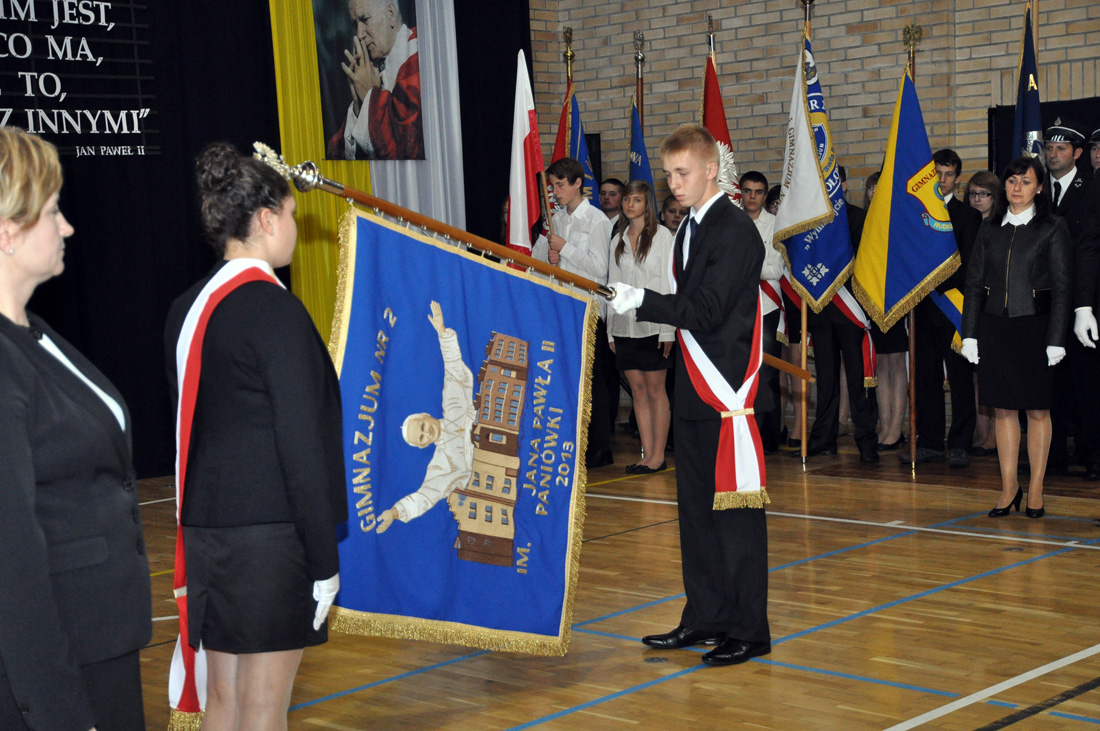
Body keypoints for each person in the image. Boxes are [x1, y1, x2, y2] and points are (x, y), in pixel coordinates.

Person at [165, 142, 347, 726]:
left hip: (207, 531)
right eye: (291, 214)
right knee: (264, 709)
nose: (295, 226)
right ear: (267, 220)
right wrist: (323, 559)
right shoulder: (275, 310)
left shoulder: (187, 307)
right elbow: (301, 444)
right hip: (270, 539)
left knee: (224, 700)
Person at [0, 126, 152, 731]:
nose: (66, 228)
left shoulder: (34, 335)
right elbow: (12, 561)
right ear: (7, 232)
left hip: (99, 639)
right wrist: (60, 712)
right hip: (61, 660)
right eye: (52, 212)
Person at [609, 124, 770, 667]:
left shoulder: (735, 229)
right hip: (696, 387)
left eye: (682, 173)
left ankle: (749, 628)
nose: (673, 184)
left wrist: (642, 300)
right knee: (696, 513)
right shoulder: (691, 228)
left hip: (726, 392)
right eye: (668, 174)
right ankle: (705, 615)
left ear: (710, 170)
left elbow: (706, 311)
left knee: (735, 516)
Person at [961, 156, 1072, 519]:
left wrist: (1056, 338)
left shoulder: (1052, 227)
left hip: (1035, 328)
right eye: (1011, 181)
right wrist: (970, 335)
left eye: (1026, 182)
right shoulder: (990, 228)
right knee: (1003, 409)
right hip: (995, 328)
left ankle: (1036, 488)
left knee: (1037, 410)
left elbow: (1062, 288)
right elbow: (973, 285)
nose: (1017, 188)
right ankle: (1009, 488)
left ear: (1039, 188)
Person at [533, 157, 614, 468]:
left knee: (592, 380)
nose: (555, 191)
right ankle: (574, 441)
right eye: (552, 186)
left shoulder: (597, 221)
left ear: (578, 183)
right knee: (568, 378)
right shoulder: (556, 219)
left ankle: (599, 446)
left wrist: (565, 247)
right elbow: (540, 261)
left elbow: (600, 268)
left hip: (587, 309)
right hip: (560, 308)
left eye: (560, 185)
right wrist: (550, 253)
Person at [908, 149, 982, 467]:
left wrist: (935, 282)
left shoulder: (968, 216)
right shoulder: (917, 213)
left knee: (960, 377)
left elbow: (970, 264)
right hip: (922, 307)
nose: (942, 179)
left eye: (949, 174)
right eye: (937, 173)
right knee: (925, 376)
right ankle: (930, 441)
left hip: (953, 306)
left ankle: (961, 442)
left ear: (958, 178)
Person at [376, 301, 476, 531]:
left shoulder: (452, 404)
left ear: (426, 416)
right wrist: (395, 512)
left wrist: (442, 332)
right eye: (422, 437)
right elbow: (425, 496)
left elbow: (453, 368)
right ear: (423, 445)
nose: (426, 432)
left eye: (422, 426)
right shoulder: (441, 465)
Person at [1044, 120, 1100, 479]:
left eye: (1061, 149)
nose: (1053, 154)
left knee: (1087, 381)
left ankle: (1092, 453)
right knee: (1052, 382)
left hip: (1084, 297)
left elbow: (1088, 248)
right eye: (1048, 148)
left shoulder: (1092, 186)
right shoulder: (1037, 190)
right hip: (1049, 300)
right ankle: (1053, 456)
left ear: (1077, 153)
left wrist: (1084, 303)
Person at [607, 180, 675, 473]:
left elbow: (668, 284)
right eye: (626, 199)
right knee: (637, 389)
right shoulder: (617, 239)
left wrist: (668, 328)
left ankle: (658, 455)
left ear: (647, 204)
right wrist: (610, 330)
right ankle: (646, 454)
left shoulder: (662, 236)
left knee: (655, 390)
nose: (629, 205)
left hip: (653, 323)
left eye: (636, 200)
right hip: (624, 325)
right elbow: (612, 287)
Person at [335, 0, 423, 160]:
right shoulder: (370, 69)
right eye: (355, 24)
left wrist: (370, 97)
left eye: (365, 20)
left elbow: (406, 152)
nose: (359, 34)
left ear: (391, 13)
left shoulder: (420, 59)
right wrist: (359, 109)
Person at [740, 170, 786, 453]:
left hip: (766, 306)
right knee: (740, 373)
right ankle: (744, 435)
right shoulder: (731, 222)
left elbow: (775, 269)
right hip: (736, 309)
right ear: (741, 193)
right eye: (747, 191)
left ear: (765, 195)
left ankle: (769, 438)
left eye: (758, 192)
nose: (752, 197)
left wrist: (743, 268)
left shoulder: (775, 224)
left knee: (767, 373)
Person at [863, 171, 908, 450]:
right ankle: (885, 424)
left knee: (896, 362)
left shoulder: (899, 220)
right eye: (871, 187)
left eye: (880, 187)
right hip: (872, 298)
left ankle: (896, 427)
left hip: (896, 297)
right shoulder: (864, 221)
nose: (874, 191)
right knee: (879, 363)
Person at [964, 169, 1001, 456]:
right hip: (972, 305)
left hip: (995, 307)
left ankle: (995, 437)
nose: (977, 199)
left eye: (983, 194)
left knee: (993, 374)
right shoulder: (967, 224)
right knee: (977, 375)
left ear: (994, 196)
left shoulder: (1001, 225)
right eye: (972, 194)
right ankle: (982, 433)